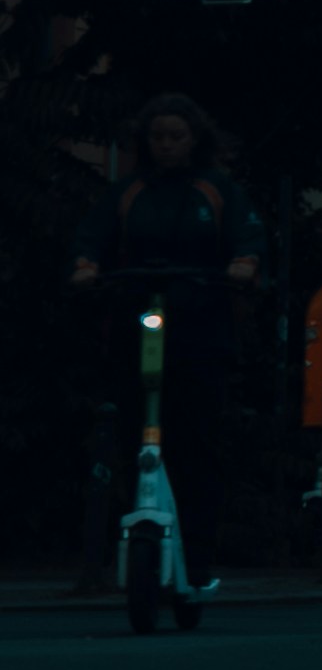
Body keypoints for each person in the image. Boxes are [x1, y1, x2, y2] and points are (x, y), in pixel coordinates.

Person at [72, 94, 266, 586]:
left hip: (200, 328)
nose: (165, 146)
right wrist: (87, 266)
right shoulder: (129, 191)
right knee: (129, 432)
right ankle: (124, 539)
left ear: (193, 139)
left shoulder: (215, 190)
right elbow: (93, 235)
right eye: (157, 137)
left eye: (175, 136)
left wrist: (243, 264)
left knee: (198, 442)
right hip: (139, 322)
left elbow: (248, 236)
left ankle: (197, 555)